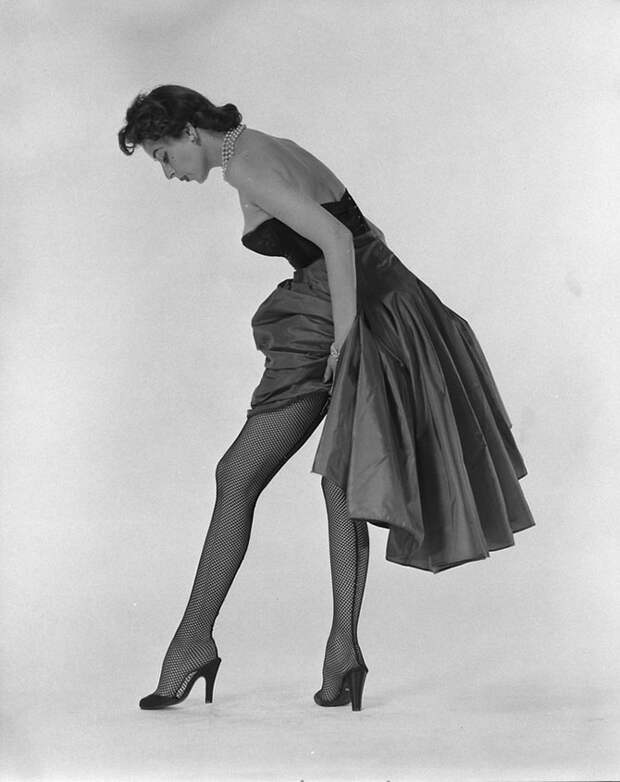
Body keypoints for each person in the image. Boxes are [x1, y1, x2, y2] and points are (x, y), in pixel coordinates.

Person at [118, 84, 535, 713]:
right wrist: (370, 314)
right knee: (339, 477)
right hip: (381, 298)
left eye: (163, 155)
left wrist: (346, 339)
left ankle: (194, 642)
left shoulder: (249, 167)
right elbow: (366, 229)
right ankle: (341, 655)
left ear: (189, 133)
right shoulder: (272, 146)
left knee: (238, 474)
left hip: (339, 316)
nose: (168, 172)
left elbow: (338, 241)